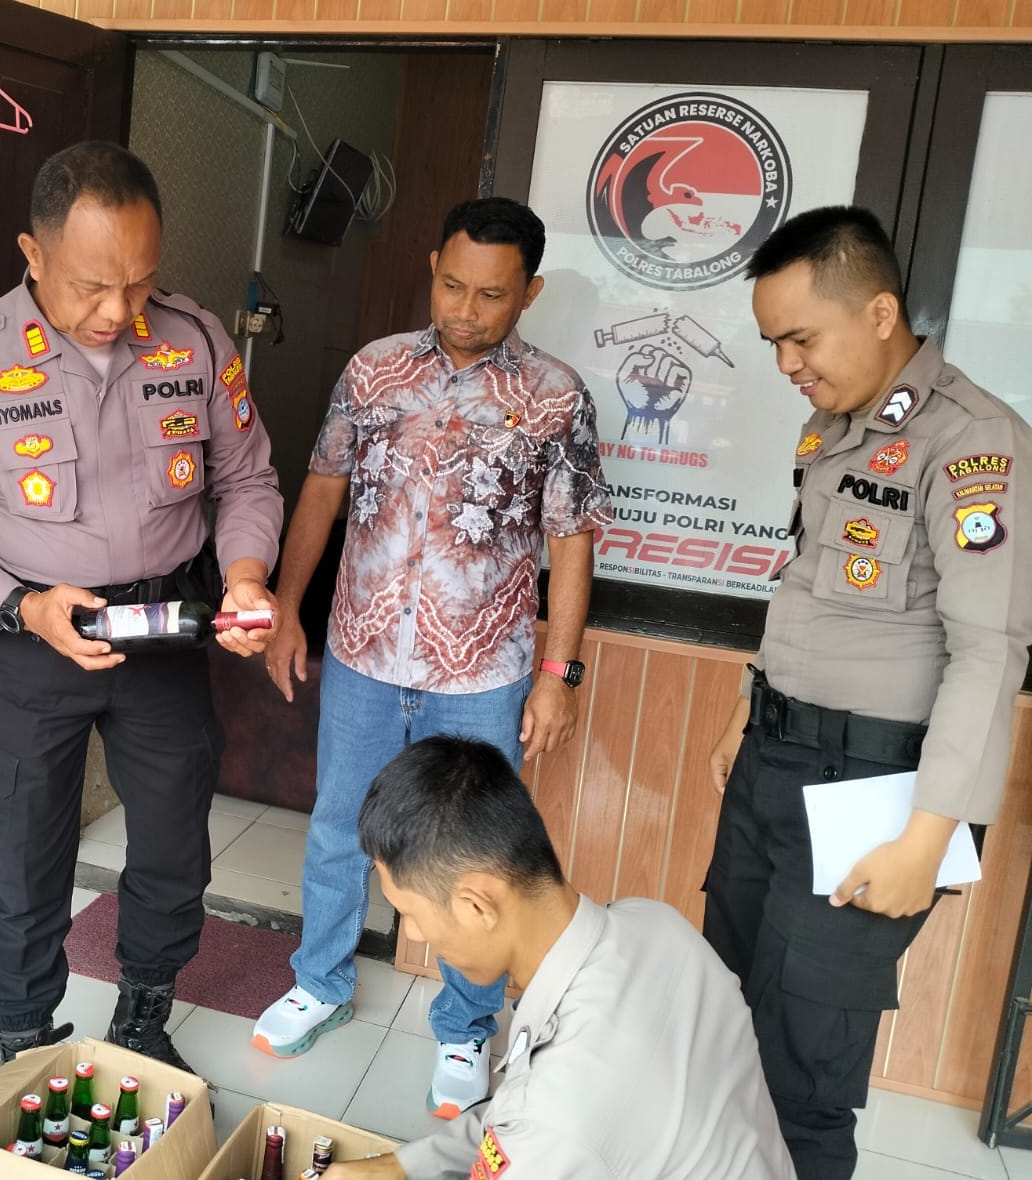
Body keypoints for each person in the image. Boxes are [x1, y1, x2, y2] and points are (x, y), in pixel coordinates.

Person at [0, 141, 284, 1072]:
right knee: (27, 849)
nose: (118, 311)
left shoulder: (195, 339)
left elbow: (247, 477)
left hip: (166, 627)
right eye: (93, 286)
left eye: (140, 282)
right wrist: (19, 608)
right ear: (34, 253)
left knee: (174, 843)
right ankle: (24, 1035)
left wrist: (246, 575)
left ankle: (143, 1015)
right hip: (34, 638)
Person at [251, 197, 613, 1118]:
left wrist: (558, 674)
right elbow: (322, 489)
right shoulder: (373, 370)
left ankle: (465, 1026)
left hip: (483, 673)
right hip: (366, 653)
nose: (465, 309)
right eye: (452, 285)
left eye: (491, 295)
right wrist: (287, 608)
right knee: (339, 824)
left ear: (529, 292)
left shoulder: (558, 397)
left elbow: (572, 540)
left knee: (478, 855)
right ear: (431, 267)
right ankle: (321, 982)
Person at [704, 205, 1032, 1180]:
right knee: (725, 1021)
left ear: (880, 312)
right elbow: (806, 586)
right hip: (771, 762)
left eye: (801, 339)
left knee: (802, 1071)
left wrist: (927, 841)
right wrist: (745, 708)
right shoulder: (835, 426)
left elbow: (990, 655)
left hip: (874, 793)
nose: (786, 363)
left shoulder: (974, 442)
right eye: (774, 343)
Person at [325, 736, 795, 1180]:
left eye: (410, 912)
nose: (413, 932)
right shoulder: (656, 923)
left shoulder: (557, 1117)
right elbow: (517, 1122)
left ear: (477, 906)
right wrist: (398, 1166)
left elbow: (541, 1125)